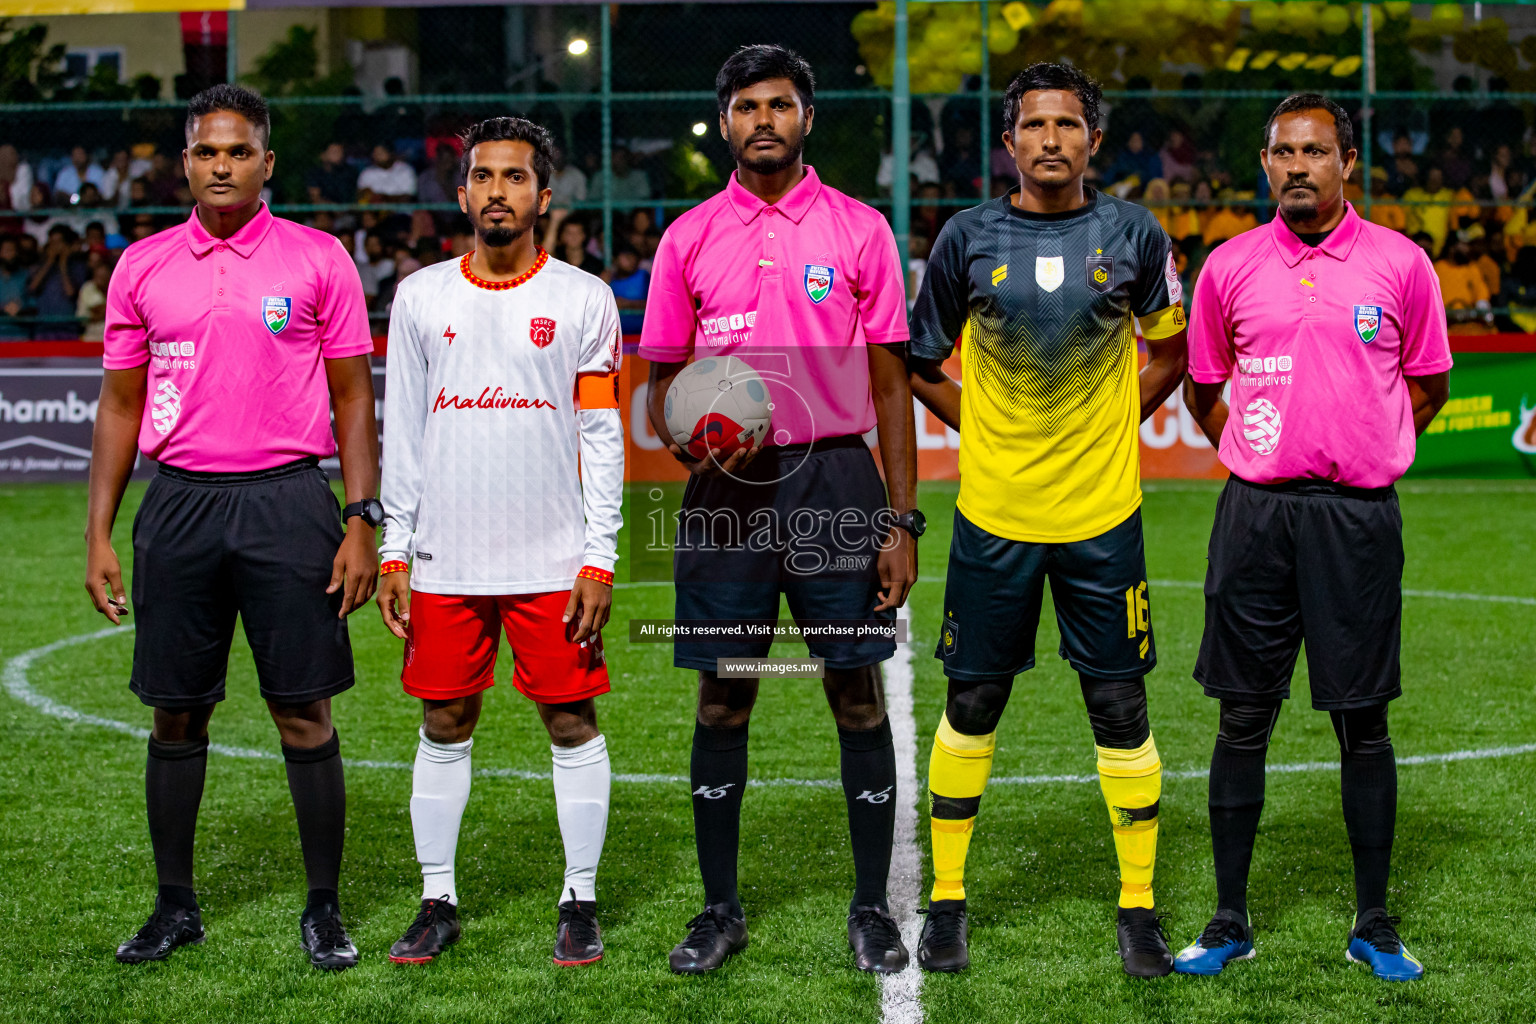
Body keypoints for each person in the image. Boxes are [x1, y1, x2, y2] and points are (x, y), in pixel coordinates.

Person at [84, 84, 379, 971]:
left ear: (266, 163)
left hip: (289, 501)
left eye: (238, 152)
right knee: (176, 714)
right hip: (177, 503)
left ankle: (323, 907)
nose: (222, 166)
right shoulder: (141, 266)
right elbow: (119, 404)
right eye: (207, 152)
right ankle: (176, 906)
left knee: (303, 711)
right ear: (185, 162)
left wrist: (360, 518)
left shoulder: (319, 258)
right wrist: (98, 532)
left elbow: (356, 395)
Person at [640, 44, 918, 976]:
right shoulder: (685, 238)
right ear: (725, 123)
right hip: (727, 496)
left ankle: (872, 908)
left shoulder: (860, 229)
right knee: (724, 696)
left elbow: (890, 391)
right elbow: (660, 390)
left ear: (807, 118)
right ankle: (719, 910)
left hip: (834, 480)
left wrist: (900, 521)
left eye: (782, 105)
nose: (765, 119)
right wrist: (697, 435)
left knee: (852, 688)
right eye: (748, 106)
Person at [906, 62, 1189, 979]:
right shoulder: (965, 239)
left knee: (1118, 704)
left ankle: (1138, 906)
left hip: (1104, 519)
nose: (1051, 140)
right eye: (1035, 125)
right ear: (1010, 140)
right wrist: (981, 427)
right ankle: (947, 900)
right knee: (973, 702)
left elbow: (1172, 348)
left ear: (1093, 140)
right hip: (994, 518)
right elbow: (918, 360)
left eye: (1069, 124)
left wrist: (1110, 423)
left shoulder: (1134, 235)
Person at [1177, 94, 1451, 982]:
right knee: (1242, 717)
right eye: (1283, 153)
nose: (1299, 166)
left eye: (1316, 152)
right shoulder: (1228, 266)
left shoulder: (1402, 264)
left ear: (1346, 164)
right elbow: (1203, 385)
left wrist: (1361, 441)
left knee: (1362, 723)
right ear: (1266, 165)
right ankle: (1229, 919)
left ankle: (1373, 922)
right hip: (1257, 516)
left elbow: (1429, 386)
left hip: (1355, 519)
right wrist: (1264, 446)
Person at [376, 116, 623, 968]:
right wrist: (393, 551)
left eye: (515, 178)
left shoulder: (585, 300)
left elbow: (602, 437)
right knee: (443, 718)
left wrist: (600, 556)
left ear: (543, 197)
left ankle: (580, 898)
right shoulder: (420, 297)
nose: (496, 191)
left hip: (553, 560)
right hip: (446, 554)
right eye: (482, 176)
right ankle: (436, 898)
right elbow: (401, 433)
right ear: (461, 193)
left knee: (569, 720)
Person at [27, 225, 86, 340]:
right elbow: (32, 288)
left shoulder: (78, 267)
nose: (55, 247)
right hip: (42, 328)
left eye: (59, 242)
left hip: (68, 328)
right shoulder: (39, 266)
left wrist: (63, 265)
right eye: (52, 242)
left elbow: (70, 293)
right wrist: (49, 262)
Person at [604, 240, 648, 335]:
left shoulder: (643, 277)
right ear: (615, 259)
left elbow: (656, 305)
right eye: (626, 256)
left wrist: (628, 304)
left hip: (641, 335)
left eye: (633, 257)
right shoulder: (607, 280)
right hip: (615, 336)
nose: (631, 260)